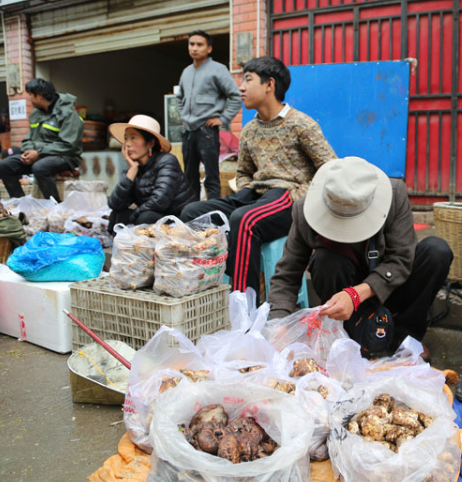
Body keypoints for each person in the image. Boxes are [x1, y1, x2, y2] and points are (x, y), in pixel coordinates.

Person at [268, 157, 453, 361]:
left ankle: (403, 336)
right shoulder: (304, 211)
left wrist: (357, 294)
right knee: (325, 260)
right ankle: (347, 336)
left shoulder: (394, 195)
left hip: (390, 286)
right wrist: (279, 324)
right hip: (343, 294)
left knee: (437, 251)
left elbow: (401, 258)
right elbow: (287, 273)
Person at [181, 56, 337, 298]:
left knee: (244, 220)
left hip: (289, 197)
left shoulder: (301, 124)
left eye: (248, 80)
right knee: (193, 212)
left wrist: (301, 194)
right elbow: (243, 172)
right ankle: (204, 293)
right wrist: (246, 190)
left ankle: (243, 308)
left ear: (269, 84)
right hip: (256, 195)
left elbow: (331, 169)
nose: (241, 87)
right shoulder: (250, 130)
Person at [176, 30, 241, 199]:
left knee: (211, 177)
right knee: (189, 178)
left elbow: (235, 95)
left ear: (209, 48)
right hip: (188, 132)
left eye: (200, 44)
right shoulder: (186, 72)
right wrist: (184, 117)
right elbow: (179, 97)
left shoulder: (218, 69)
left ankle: (214, 218)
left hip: (207, 132)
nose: (195, 48)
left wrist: (224, 119)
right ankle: (192, 214)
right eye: (192, 44)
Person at [107, 115, 197, 233]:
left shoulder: (167, 161)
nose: (128, 144)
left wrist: (133, 217)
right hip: (155, 215)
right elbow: (115, 204)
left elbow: (159, 201)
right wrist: (131, 172)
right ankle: (121, 250)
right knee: (118, 214)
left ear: (150, 143)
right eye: (126, 139)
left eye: (133, 138)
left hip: (179, 220)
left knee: (145, 217)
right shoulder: (133, 169)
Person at [0, 79, 83, 202]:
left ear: (39, 96)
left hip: (65, 156)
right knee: (5, 165)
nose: (29, 99)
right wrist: (28, 151)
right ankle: (21, 204)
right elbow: (28, 138)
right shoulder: (36, 114)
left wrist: (38, 153)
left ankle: (55, 207)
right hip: (39, 155)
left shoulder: (68, 114)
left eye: (30, 95)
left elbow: (68, 144)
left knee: (40, 167)